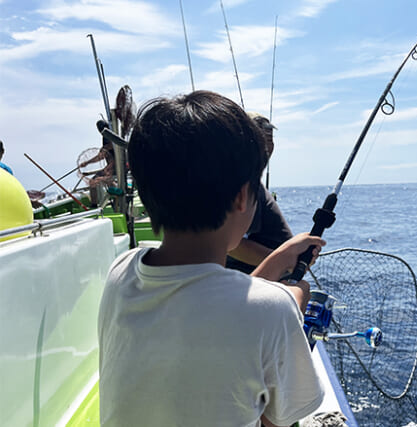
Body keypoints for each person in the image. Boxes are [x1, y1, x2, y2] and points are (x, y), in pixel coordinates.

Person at [98, 91, 326, 427]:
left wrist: (278, 261)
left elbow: (206, 305)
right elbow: (278, 418)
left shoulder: (121, 272)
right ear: (241, 197)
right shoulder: (274, 311)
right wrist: (295, 298)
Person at [226, 112, 293, 274]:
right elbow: (233, 246)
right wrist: (287, 262)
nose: (268, 147)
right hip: (251, 278)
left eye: (271, 139)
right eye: (263, 139)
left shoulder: (251, 179)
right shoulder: (242, 182)